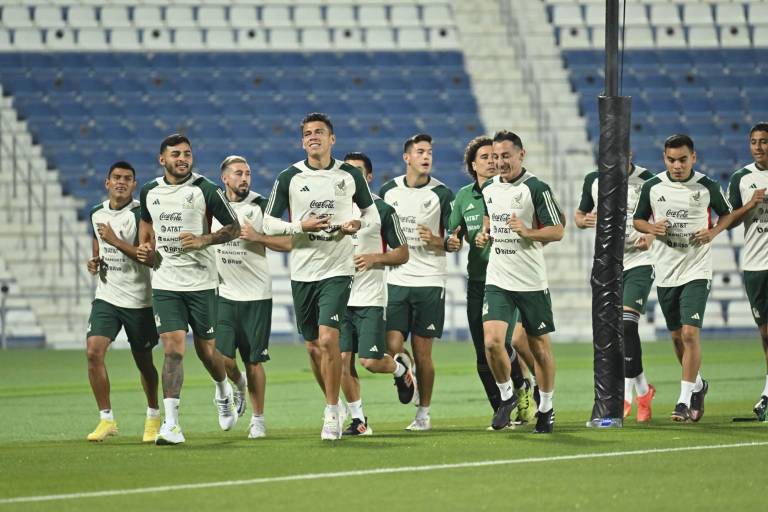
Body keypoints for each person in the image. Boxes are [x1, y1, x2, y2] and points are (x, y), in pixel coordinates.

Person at [262, 113, 378, 441]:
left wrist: (358, 223)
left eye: (320, 132)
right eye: (308, 133)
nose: (314, 137)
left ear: (332, 139)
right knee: (313, 346)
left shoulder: (350, 174)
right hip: (303, 272)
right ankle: (336, 403)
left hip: (338, 269)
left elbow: (371, 214)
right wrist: (301, 226)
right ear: (303, 142)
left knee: (329, 339)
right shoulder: (290, 177)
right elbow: (268, 223)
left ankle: (330, 413)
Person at [137, 134, 241, 445]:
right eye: (175, 154)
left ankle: (223, 389)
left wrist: (202, 240)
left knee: (208, 351)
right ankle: (172, 425)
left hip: (202, 283)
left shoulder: (205, 189)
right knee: (172, 349)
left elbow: (234, 228)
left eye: (187, 153)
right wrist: (146, 249)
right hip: (166, 283)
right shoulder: (149, 191)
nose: (182, 158)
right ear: (162, 159)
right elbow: (146, 228)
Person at [633, 134, 734, 422]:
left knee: (690, 333)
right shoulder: (653, 186)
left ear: (694, 158)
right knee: (677, 337)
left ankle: (682, 400)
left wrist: (713, 232)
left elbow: (726, 214)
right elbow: (638, 220)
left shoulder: (707, 186)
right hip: (666, 270)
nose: (677, 165)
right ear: (665, 159)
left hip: (696, 268)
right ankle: (699, 385)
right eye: (671, 160)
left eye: (682, 159)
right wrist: (653, 228)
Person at [476, 130, 564, 433]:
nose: (499, 162)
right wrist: (485, 232)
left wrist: (528, 232)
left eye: (506, 156)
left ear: (520, 155)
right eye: (495, 156)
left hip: (530, 281)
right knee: (491, 343)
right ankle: (507, 397)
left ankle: (547, 406)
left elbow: (557, 230)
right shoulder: (489, 188)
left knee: (539, 348)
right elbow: (491, 217)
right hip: (498, 278)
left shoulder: (536, 188)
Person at [448, 136, 537, 428]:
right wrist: (451, 241)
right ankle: (503, 405)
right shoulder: (463, 197)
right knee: (483, 353)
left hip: (509, 279)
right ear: (473, 165)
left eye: (493, 156)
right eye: (484, 157)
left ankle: (529, 392)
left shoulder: (511, 190)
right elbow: (454, 236)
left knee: (504, 341)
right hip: (477, 281)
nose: (491, 161)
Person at [325, 152, 412, 436]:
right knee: (341, 361)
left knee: (371, 362)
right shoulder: (333, 209)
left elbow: (402, 253)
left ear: (369, 177)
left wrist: (376, 258)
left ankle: (399, 370)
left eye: (359, 172)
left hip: (370, 298)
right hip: (338, 297)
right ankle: (359, 420)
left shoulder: (382, 210)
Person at [379, 133, 460, 431]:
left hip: (429, 280)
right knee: (390, 345)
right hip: (396, 279)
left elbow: (455, 241)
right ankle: (403, 370)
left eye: (429, 152)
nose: (426, 157)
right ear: (407, 158)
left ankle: (423, 414)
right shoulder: (389, 191)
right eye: (420, 152)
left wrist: (437, 240)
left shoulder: (443, 194)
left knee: (424, 352)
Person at [213, 155, 292, 438]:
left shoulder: (260, 206)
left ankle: (258, 419)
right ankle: (238, 384)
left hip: (256, 295)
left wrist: (258, 236)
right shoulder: (212, 206)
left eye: (247, 173)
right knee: (220, 357)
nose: (244, 178)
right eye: (238, 173)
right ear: (225, 178)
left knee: (254, 360)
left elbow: (289, 241)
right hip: (223, 294)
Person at [575, 157, 657, 422]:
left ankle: (625, 395)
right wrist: (585, 220)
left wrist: (650, 236)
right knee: (615, 331)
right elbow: (579, 216)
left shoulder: (648, 180)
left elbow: (659, 218)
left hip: (639, 261)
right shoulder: (593, 180)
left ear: (631, 152)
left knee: (627, 325)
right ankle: (644, 389)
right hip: (609, 264)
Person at [85, 161, 160, 442]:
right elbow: (98, 247)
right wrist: (94, 263)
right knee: (93, 351)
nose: (121, 182)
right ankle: (106, 420)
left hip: (140, 300)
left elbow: (148, 257)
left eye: (127, 178)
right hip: (107, 297)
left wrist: (116, 241)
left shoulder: (142, 213)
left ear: (133, 184)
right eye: (116, 177)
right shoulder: (96, 213)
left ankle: (153, 416)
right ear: (107, 183)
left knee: (144, 362)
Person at [726, 122, 768, 421]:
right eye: (754, 141)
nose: (758, 147)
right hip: (754, 265)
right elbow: (728, 220)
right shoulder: (742, 178)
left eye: (764, 141)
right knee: (765, 333)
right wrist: (750, 205)